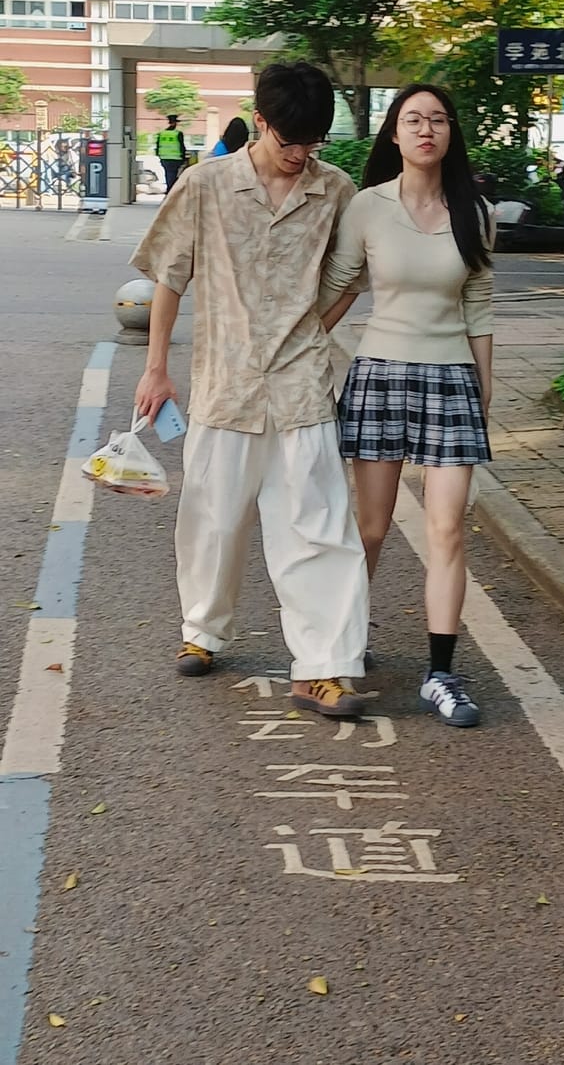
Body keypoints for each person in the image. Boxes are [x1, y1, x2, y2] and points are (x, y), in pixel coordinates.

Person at [132, 61, 369, 719]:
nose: (301, 156)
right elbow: (169, 276)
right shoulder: (206, 186)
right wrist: (156, 367)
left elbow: (353, 272)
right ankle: (202, 631)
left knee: (318, 525)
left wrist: (315, 327)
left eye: (313, 144)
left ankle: (323, 667)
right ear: (259, 121)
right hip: (224, 380)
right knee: (213, 517)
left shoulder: (336, 190)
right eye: (290, 141)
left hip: (301, 384)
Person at [318, 83, 495, 727]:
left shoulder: (475, 211)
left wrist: (484, 381)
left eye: (438, 119)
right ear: (394, 133)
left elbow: (478, 299)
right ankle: (342, 646)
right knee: (370, 528)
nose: (426, 129)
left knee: (448, 527)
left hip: (450, 378)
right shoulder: (367, 207)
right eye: (413, 119)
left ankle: (441, 672)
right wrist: (287, 349)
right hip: (381, 375)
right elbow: (338, 286)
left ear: (450, 134)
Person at [156, 114, 187, 195]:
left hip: (164, 158)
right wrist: (184, 157)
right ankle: (171, 191)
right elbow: (181, 146)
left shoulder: (162, 133)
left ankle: (170, 189)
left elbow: (158, 146)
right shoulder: (178, 133)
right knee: (173, 175)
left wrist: (159, 155)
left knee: (168, 174)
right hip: (176, 158)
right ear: (175, 123)